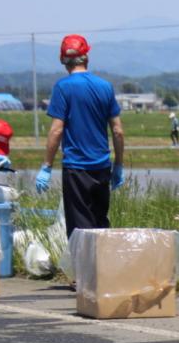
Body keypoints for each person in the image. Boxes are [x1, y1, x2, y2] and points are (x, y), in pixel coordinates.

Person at [35, 35, 125, 238]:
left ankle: (84, 269)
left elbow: (56, 130)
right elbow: (118, 131)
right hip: (102, 167)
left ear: (63, 61)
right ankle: (102, 267)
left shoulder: (63, 87)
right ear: (86, 58)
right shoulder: (105, 86)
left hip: (76, 168)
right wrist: (118, 165)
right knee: (100, 224)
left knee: (80, 230)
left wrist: (46, 167)